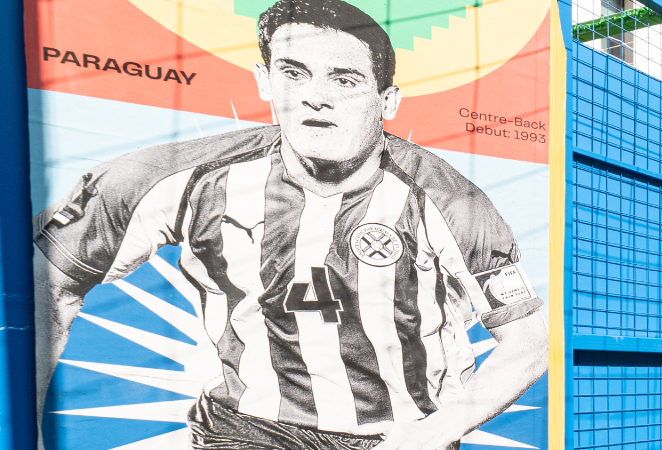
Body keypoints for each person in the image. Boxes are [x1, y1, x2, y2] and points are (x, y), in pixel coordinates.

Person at [32, 0, 548, 448]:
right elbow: (46, 281)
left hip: (394, 437)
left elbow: (527, 341)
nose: (315, 97)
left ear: (386, 101)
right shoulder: (180, 179)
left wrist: (434, 433)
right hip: (244, 430)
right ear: (265, 81)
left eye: (344, 80)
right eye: (294, 73)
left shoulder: (450, 200)